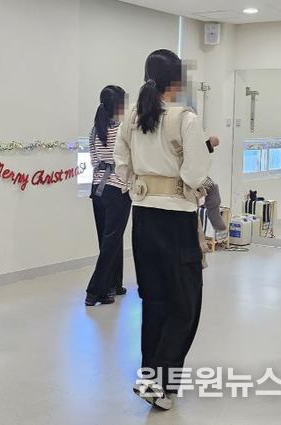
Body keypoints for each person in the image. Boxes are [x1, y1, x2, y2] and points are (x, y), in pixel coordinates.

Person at [114, 49, 211, 410]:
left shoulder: (132, 117)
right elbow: (196, 172)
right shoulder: (185, 118)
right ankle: (160, 382)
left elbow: (121, 164)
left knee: (154, 301)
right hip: (176, 219)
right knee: (186, 304)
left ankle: (152, 380)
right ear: (178, 80)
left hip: (142, 217)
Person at [84, 85, 132, 307]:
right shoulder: (123, 129)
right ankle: (96, 291)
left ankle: (114, 284)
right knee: (112, 240)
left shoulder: (95, 129)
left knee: (108, 239)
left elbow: (94, 160)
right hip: (117, 188)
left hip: (97, 188)